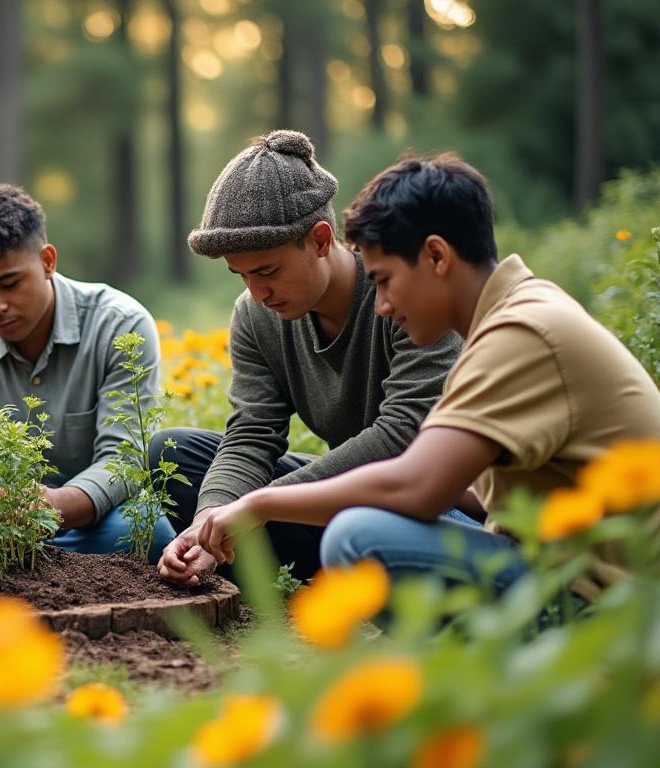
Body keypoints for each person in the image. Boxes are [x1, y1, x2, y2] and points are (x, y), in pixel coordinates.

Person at [169, 153, 660, 604]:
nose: (381, 305)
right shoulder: (509, 317)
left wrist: (262, 505)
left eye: (383, 280)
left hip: (605, 597)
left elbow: (415, 478)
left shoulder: (522, 331)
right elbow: (470, 488)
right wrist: (215, 517)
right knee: (184, 454)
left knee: (359, 535)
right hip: (551, 557)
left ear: (437, 257)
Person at [155, 130, 462, 586]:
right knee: (174, 452)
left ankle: (359, 573)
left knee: (363, 522)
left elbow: (405, 434)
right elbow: (251, 434)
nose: (257, 294)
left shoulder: (404, 293)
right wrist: (210, 524)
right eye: (240, 276)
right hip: (344, 502)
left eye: (267, 271)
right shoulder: (255, 317)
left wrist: (259, 506)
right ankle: (316, 578)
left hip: (427, 496)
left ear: (320, 240)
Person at [0, 184, 176, 562]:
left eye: (9, 284)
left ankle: (22, 564)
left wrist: (53, 506)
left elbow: (125, 459)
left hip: (89, 520)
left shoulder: (121, 326)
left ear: (48, 261)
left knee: (143, 530)